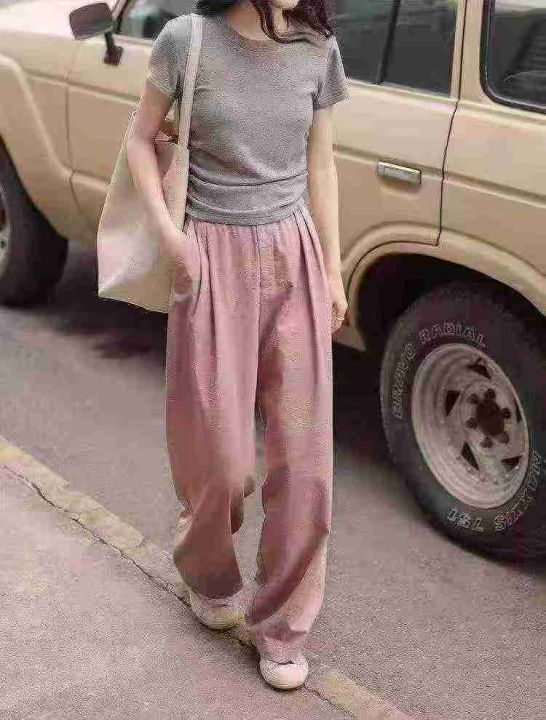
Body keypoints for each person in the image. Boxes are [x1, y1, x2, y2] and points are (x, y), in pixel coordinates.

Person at [126, 0, 350, 691]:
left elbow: (322, 164)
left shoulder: (317, 47)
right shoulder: (186, 40)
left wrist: (334, 270)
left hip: (295, 257)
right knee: (219, 464)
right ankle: (208, 572)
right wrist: (171, 238)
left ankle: (282, 626)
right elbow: (139, 139)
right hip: (211, 259)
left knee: (306, 466)